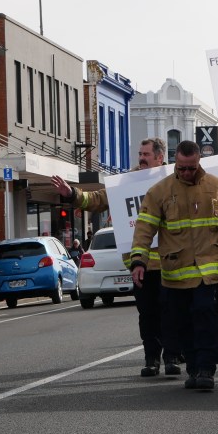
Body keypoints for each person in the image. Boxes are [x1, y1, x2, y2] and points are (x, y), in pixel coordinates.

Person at [51, 138, 178, 377]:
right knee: (147, 315)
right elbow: (98, 199)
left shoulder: (173, 180)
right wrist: (72, 194)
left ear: (160, 158)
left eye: (146, 154)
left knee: (170, 313)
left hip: (170, 262)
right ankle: (152, 359)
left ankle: (172, 357)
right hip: (140, 264)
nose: (141, 158)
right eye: (140, 153)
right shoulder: (127, 181)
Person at [129, 140, 218, 391]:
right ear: (175, 162)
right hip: (176, 273)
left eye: (191, 168)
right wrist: (139, 260)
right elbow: (144, 229)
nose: (186, 172)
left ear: (199, 162)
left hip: (208, 271)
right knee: (183, 324)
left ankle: (206, 369)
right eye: (182, 168)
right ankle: (194, 369)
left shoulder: (217, 186)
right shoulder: (160, 191)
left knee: (205, 319)